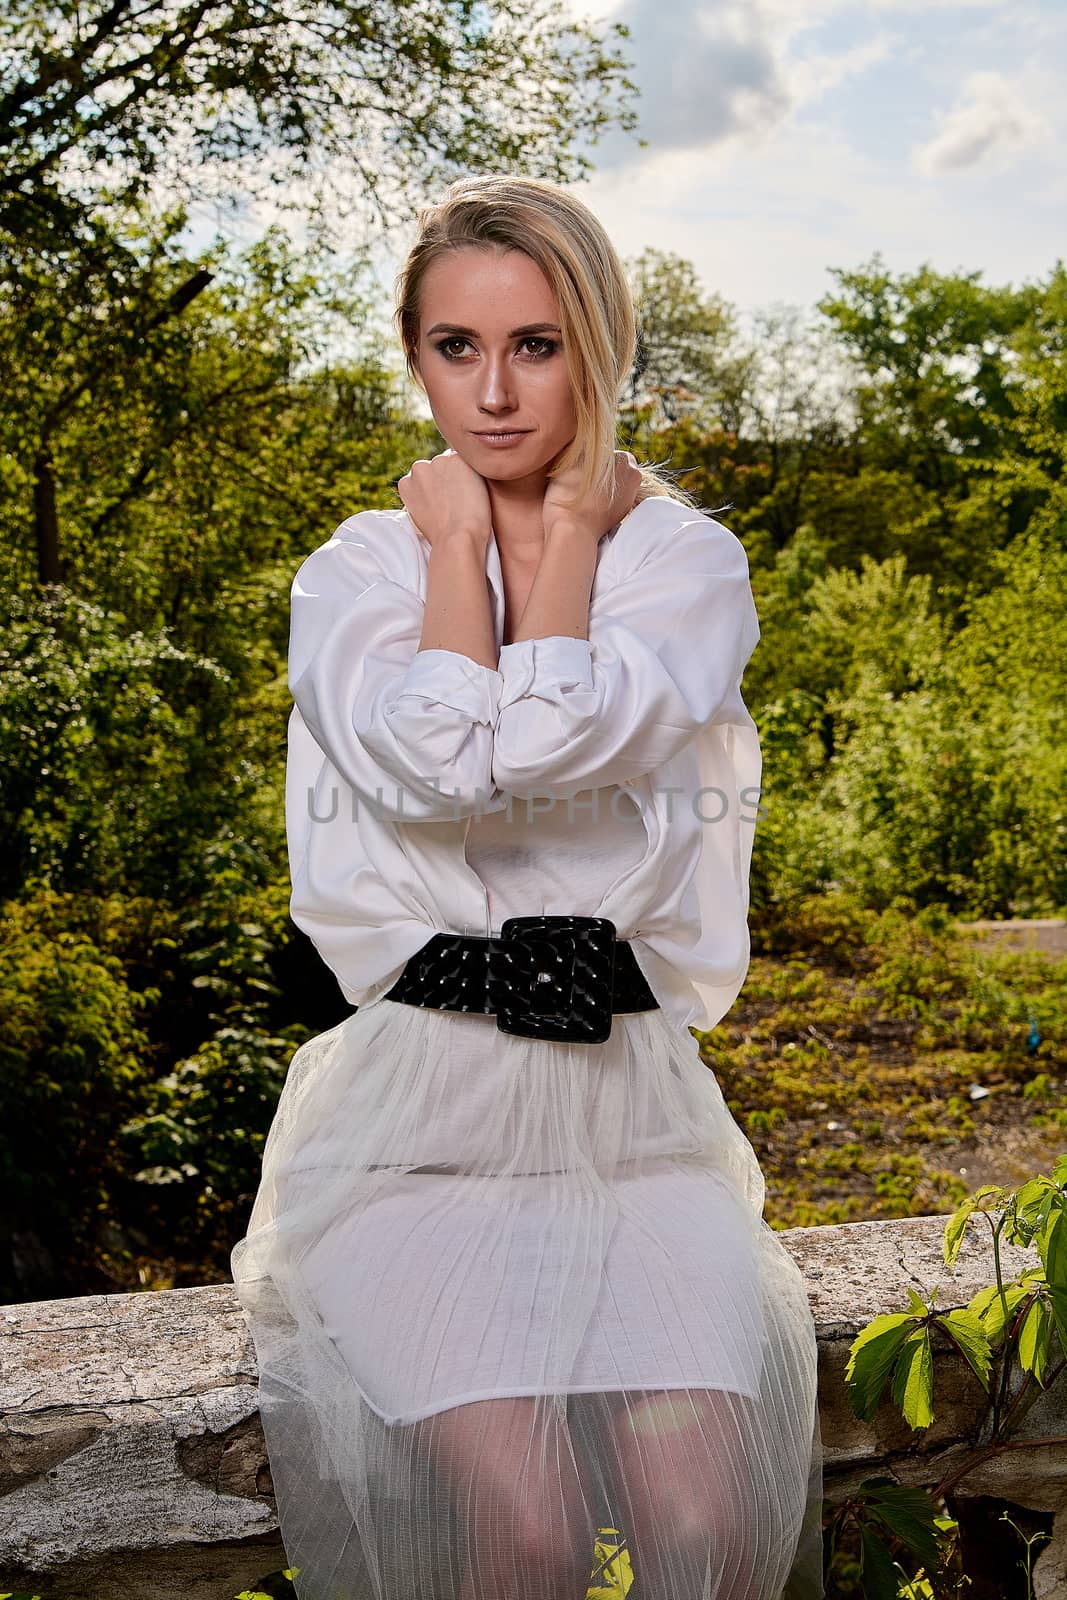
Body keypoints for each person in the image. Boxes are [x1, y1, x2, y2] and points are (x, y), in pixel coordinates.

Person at [230, 172, 824, 1600]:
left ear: (601, 348)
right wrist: (453, 548)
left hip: (632, 1127)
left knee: (710, 1528)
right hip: (416, 1132)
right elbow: (445, 767)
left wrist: (562, 541)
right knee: (528, 1539)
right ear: (415, 356)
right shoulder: (361, 571)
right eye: (456, 347)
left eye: (538, 345)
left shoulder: (683, 561)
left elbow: (546, 743)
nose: (493, 393)